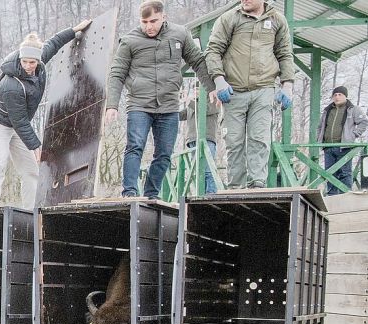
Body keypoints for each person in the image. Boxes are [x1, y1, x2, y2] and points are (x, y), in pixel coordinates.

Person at [105, 0, 213, 200]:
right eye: (144, 22)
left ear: (164, 17)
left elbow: (198, 61)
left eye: (153, 21)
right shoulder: (129, 41)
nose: (149, 26)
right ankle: (129, 192)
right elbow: (117, 73)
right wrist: (112, 105)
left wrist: (212, 88)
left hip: (168, 104)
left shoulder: (180, 34)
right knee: (135, 146)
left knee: (164, 153)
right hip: (139, 103)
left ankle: (151, 193)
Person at [0, 21, 93, 209]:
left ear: (38, 60)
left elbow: (55, 42)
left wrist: (74, 30)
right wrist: (36, 146)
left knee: (31, 170)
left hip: (18, 125)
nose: (28, 66)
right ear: (20, 59)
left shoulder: (38, 61)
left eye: (32, 62)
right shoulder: (11, 85)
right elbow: (20, 121)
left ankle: (30, 209)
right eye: (24, 62)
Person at [206, 0, 295, 189]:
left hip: (264, 88)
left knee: (259, 138)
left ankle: (257, 183)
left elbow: (285, 53)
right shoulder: (229, 19)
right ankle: (236, 186)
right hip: (233, 91)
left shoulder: (277, 20)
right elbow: (213, 50)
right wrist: (218, 79)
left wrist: (287, 84)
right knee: (234, 140)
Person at [316, 86, 368, 196]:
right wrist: (319, 138)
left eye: (340, 94)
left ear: (345, 96)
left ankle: (346, 196)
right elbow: (320, 127)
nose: (337, 97)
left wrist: (354, 134)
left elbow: (364, 122)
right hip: (328, 147)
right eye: (335, 95)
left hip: (344, 147)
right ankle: (332, 197)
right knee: (329, 173)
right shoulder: (327, 110)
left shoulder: (353, 109)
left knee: (345, 173)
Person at [179, 87, 222, 194]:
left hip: (207, 139)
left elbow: (204, 110)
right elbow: (180, 115)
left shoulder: (213, 101)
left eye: (198, 89)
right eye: (194, 88)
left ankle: (211, 193)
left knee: (208, 169)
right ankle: (201, 193)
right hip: (192, 140)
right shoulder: (193, 104)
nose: (195, 91)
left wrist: (189, 102)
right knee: (197, 171)